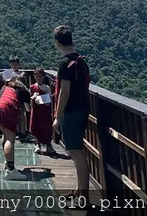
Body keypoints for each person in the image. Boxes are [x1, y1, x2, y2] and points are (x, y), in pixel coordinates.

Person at [52, 25, 91, 199]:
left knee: (77, 152)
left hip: (71, 112)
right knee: (77, 151)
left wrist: (57, 116)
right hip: (82, 109)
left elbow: (64, 92)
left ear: (58, 43)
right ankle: (79, 190)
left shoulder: (65, 64)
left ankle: (84, 197)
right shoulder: (81, 61)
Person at [0, 75, 31, 180]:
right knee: (10, 139)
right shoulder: (23, 91)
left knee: (5, 134)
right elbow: (28, 109)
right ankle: (11, 170)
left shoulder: (6, 87)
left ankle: (7, 162)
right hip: (6, 109)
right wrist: (32, 99)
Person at [29, 68, 56, 155]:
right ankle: (38, 144)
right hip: (36, 110)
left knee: (46, 127)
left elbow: (48, 102)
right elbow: (31, 102)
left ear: (43, 77)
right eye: (37, 76)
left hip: (45, 111)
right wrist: (33, 98)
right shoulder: (32, 87)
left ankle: (48, 145)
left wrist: (40, 99)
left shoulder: (46, 87)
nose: (39, 78)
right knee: (36, 126)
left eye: (40, 76)